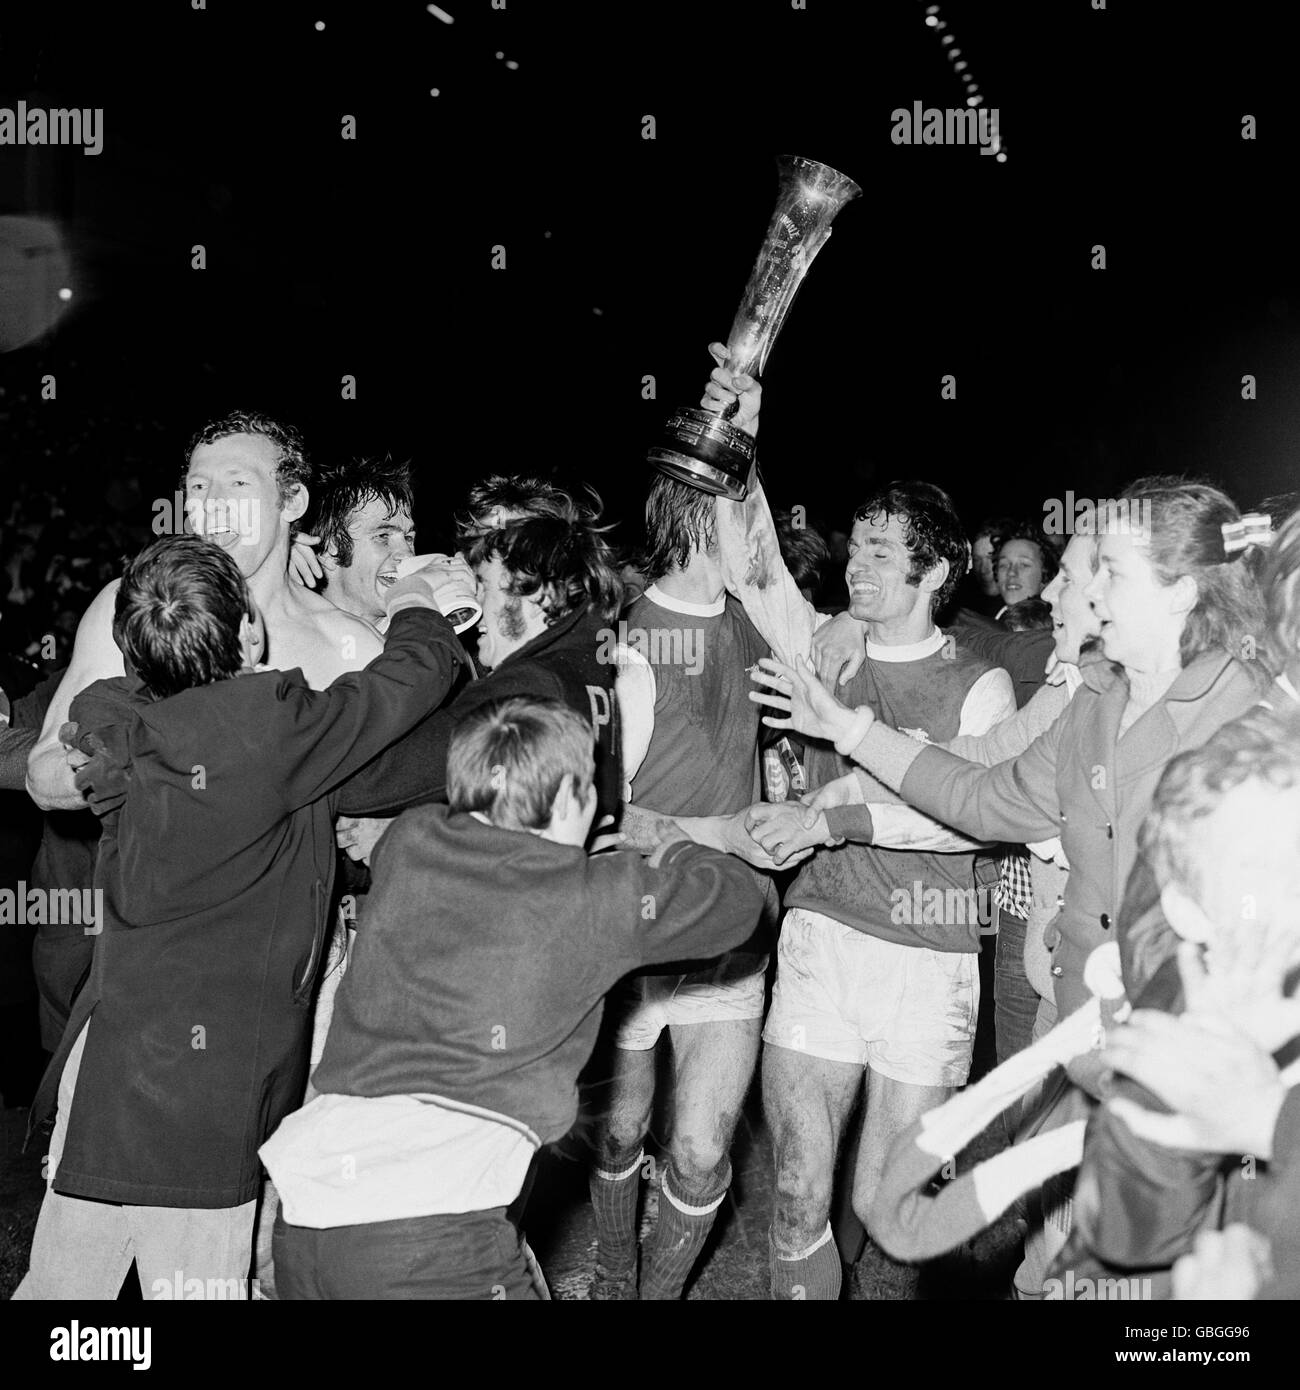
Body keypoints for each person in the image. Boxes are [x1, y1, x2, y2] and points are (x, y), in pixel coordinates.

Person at [13, 534, 466, 1299]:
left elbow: (99, 725)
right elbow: (408, 679)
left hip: (110, 1078)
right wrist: (416, 599)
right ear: (250, 631)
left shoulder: (113, 723)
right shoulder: (278, 729)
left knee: (63, 1293)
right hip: (205, 1104)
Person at [262, 696, 766, 1300]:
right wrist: (667, 841)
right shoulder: (590, 897)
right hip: (429, 1238)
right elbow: (739, 902)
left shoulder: (408, 842)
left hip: (306, 1218)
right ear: (569, 800)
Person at [586, 461, 793, 1301]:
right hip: (632, 931)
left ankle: (656, 1297)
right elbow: (598, 820)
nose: (768, 544)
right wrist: (718, 831)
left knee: (704, 1149)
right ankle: (611, 1275)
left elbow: (771, 749)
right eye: (751, 521)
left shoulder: (756, 629)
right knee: (618, 1132)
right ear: (708, 526)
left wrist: (786, 787)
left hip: (729, 935)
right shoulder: (622, 639)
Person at [1051, 704, 1300, 1297]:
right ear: (1189, 908)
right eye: (1260, 865)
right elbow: (1123, 1234)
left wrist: (1271, 1120)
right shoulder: (1179, 1030)